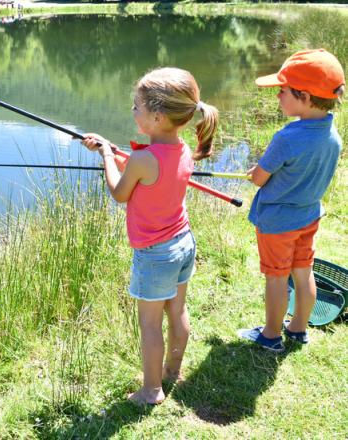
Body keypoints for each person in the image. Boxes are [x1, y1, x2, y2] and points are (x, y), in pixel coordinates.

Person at [81, 67, 219, 405]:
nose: (133, 111)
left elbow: (119, 192)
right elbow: (155, 168)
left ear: (157, 117)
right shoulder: (183, 150)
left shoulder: (143, 159)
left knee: (150, 325)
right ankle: (173, 371)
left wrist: (105, 156)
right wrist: (119, 156)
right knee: (179, 310)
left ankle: (151, 390)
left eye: (137, 106)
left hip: (155, 254)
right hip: (183, 243)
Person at [238, 49, 345, 352]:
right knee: (303, 271)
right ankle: (298, 328)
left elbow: (259, 178)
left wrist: (256, 173)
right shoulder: (332, 135)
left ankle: (271, 336)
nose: (277, 97)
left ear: (305, 96)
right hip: (308, 216)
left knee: (276, 278)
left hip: (278, 223)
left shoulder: (286, 137)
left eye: (282, 91)